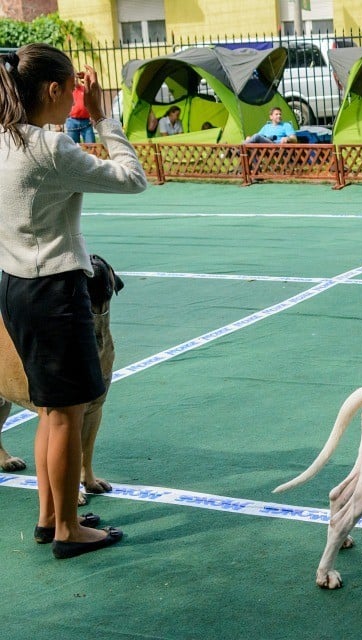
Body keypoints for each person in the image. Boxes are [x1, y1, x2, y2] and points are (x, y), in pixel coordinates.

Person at [0, 44, 147, 559]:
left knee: (48, 411)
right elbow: (133, 179)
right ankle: (67, 529)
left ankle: (49, 516)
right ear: (55, 89)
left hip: (15, 286)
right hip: (55, 292)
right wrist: (105, 119)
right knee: (65, 414)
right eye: (71, 93)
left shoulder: (7, 139)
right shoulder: (49, 148)